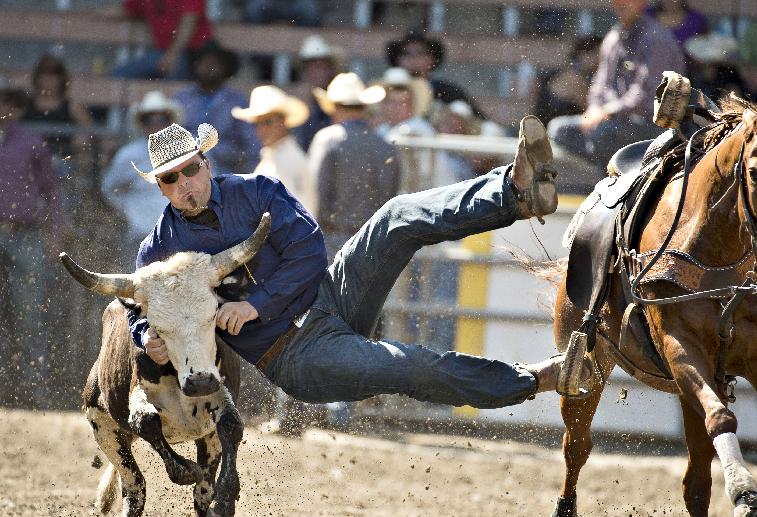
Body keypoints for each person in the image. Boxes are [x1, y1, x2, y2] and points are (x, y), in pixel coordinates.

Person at [124, 116, 592, 414]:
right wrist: (148, 339)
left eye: (190, 169)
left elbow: (309, 250)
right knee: (410, 365)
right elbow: (134, 308)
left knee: (395, 217)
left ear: (205, 163)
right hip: (294, 356)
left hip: (330, 296)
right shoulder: (158, 252)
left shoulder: (255, 191)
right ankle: (534, 379)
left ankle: (514, 192)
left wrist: (255, 306)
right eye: (171, 178)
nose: (185, 183)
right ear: (160, 188)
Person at [547, 0, 685, 170]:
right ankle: (617, 172)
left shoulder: (656, 38)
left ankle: (621, 175)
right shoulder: (613, 37)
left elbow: (647, 96)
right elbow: (600, 84)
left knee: (602, 135)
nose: (622, 4)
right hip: (615, 122)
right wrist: (594, 108)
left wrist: (607, 111)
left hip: (655, 126)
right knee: (559, 129)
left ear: (641, 3)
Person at [0, 80, 64, 408]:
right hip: (17, 234)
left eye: (8, 102)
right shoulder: (30, 141)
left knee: (29, 315)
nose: (3, 108)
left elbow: (53, 191)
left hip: (24, 235)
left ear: (15, 106)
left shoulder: (32, 142)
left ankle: (34, 394)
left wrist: (54, 235)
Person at [306, 73, 399, 253]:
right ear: (364, 107)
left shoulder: (327, 139)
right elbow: (390, 195)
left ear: (334, 107)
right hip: (374, 240)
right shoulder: (386, 146)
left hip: (333, 239)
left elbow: (317, 195)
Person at [101, 91, 184, 268]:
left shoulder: (188, 154)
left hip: (179, 237)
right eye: (149, 119)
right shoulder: (128, 155)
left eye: (160, 119)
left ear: (169, 121)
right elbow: (109, 188)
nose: (155, 124)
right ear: (142, 123)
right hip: (139, 235)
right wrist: (127, 211)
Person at [174, 41, 258, 175]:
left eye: (215, 63)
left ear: (225, 68)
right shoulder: (181, 99)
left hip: (227, 172)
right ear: (196, 66)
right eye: (205, 63)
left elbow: (252, 143)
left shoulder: (237, 101)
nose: (209, 67)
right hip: (185, 171)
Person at [232, 85, 313, 206]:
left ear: (283, 121)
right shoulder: (274, 155)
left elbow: (299, 213)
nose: (261, 130)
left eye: (267, 122)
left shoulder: (289, 159)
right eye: (257, 124)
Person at [385, 31, 486, 120]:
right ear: (397, 59)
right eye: (406, 54)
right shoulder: (384, 89)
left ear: (432, 59)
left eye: (421, 53)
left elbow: (478, 122)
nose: (413, 59)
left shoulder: (447, 92)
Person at [106, 0, 212, 80]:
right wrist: (93, 13)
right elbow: (124, 10)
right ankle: (93, 109)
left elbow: (189, 23)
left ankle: (171, 107)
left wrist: (172, 55)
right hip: (161, 53)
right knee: (117, 76)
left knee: (176, 69)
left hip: (194, 54)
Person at [22, 54, 93, 166]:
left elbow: (88, 135)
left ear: (61, 79)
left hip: (60, 164)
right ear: (37, 78)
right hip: (27, 162)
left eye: (54, 76)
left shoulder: (73, 107)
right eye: (45, 75)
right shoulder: (24, 106)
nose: (49, 81)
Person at [531, 36, 603, 127]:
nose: (600, 60)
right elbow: (589, 110)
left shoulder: (570, 72)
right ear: (583, 54)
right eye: (597, 54)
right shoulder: (574, 77)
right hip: (552, 129)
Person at [292, 36, 343, 151]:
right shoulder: (303, 100)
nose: (314, 73)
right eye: (310, 68)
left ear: (330, 69)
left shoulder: (340, 98)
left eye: (319, 67)